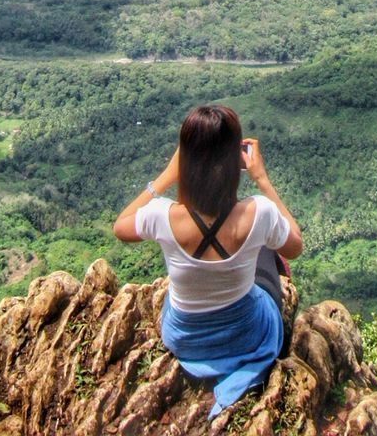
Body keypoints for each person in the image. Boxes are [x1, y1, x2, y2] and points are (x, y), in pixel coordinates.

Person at [113, 104, 303, 419]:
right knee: (270, 250)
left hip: (184, 339)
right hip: (248, 334)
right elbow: (295, 245)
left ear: (186, 160)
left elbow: (121, 226)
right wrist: (263, 181)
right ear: (233, 163)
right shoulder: (260, 212)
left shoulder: (162, 216)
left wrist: (166, 177)